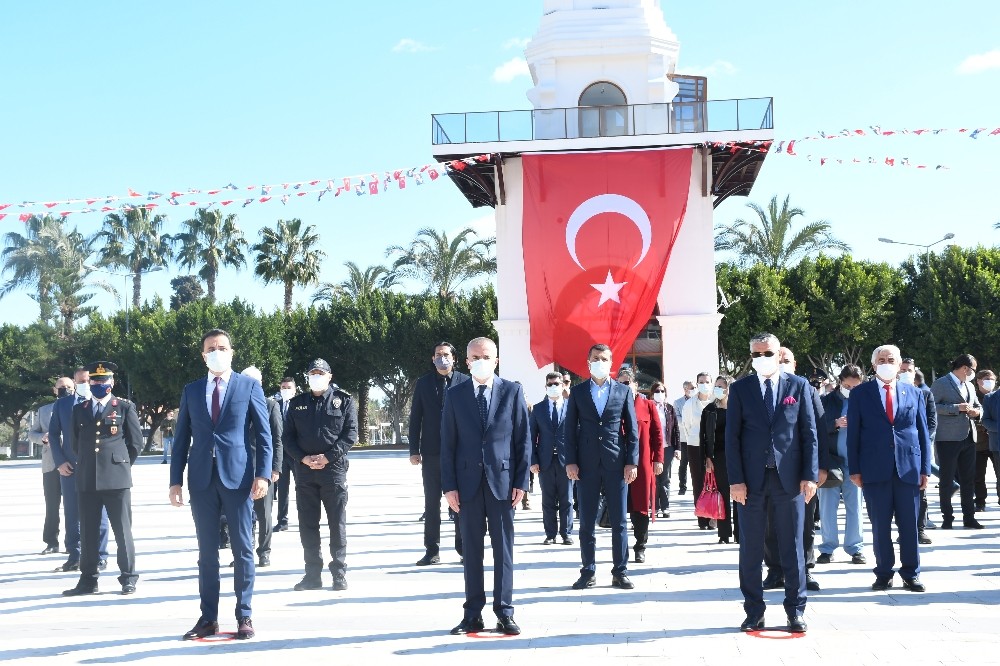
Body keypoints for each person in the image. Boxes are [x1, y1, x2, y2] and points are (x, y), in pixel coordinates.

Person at [170, 328, 273, 641]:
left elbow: (264, 435)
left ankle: (244, 615)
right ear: (203, 355)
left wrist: (263, 474)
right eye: (211, 348)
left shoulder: (248, 386)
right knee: (207, 553)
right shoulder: (191, 390)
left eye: (222, 347)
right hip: (201, 480)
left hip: (239, 479)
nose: (217, 351)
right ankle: (208, 618)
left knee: (243, 549)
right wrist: (175, 480)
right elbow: (181, 439)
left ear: (231, 352)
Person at [726, 333, 818, 634]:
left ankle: (795, 610)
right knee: (750, 548)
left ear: (779, 355)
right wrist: (736, 480)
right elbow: (732, 438)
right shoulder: (741, 389)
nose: (761, 359)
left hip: (789, 480)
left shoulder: (799, 386)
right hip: (750, 483)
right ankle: (753, 610)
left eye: (767, 353)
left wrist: (810, 475)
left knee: (793, 546)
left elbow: (809, 434)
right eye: (756, 354)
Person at [441, 337, 530, 636]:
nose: (481, 360)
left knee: (503, 550)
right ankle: (472, 613)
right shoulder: (455, 395)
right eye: (475, 356)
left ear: (497, 360)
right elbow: (447, 444)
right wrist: (449, 486)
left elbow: (523, 440)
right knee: (472, 551)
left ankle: (505, 612)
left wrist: (521, 481)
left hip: (503, 485)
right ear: (466, 361)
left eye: (486, 356)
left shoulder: (513, 391)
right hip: (466, 487)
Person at [847, 345, 931, 592]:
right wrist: (855, 468)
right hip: (874, 469)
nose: (886, 363)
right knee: (880, 526)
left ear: (898, 363)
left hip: (908, 468)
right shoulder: (860, 394)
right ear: (873, 365)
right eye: (881, 359)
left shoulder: (914, 393)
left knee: (909, 525)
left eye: (890, 359)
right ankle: (884, 573)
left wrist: (925, 468)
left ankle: (911, 573)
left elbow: (923, 433)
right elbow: (854, 435)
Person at [62, 361, 141, 597]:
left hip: (117, 480)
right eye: (94, 381)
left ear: (112, 382)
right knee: (88, 531)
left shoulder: (124, 407)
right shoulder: (80, 409)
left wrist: (120, 465)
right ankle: (88, 580)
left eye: (103, 380)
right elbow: (76, 443)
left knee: (122, 531)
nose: (98, 384)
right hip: (87, 478)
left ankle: (128, 578)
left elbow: (135, 443)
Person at [565, 343, 639, 591]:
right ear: (588, 362)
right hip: (585, 465)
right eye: (596, 358)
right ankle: (588, 571)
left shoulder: (623, 391)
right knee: (586, 521)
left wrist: (632, 462)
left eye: (605, 358)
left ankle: (620, 571)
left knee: (619, 521)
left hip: (616, 463)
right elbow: (569, 430)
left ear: (612, 362)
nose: (600, 362)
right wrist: (571, 461)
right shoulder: (577, 393)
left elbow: (632, 431)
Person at [283, 358, 357, 592]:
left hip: (333, 471)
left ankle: (339, 573)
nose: (316, 376)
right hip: (305, 473)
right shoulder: (297, 404)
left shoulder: (343, 401)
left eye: (320, 373)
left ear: (329, 376)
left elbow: (350, 435)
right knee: (308, 525)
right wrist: (303, 458)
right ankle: (312, 574)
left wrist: (327, 457)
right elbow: (287, 438)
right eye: (312, 373)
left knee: (337, 524)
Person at [762, 347, 827, 593]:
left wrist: (819, 468)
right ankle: (775, 569)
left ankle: (805, 568)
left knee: (805, 522)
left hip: (802, 472)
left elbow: (817, 430)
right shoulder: (764, 391)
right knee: (771, 522)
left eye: (786, 360)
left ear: (794, 363)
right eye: (777, 360)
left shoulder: (806, 390)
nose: (781, 364)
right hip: (771, 470)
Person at [408, 342, 468, 565]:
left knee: (461, 502)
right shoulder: (423, 384)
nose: (442, 358)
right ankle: (431, 550)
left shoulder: (465, 381)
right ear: (432, 358)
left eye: (446, 354)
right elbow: (416, 418)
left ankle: (463, 549)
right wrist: (414, 450)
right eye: (437, 355)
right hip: (432, 453)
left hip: (461, 453)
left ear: (454, 358)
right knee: (431, 504)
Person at [49, 367, 111, 573]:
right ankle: (74, 554)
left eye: (89, 380)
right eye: (81, 381)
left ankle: (100, 556)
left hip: (98, 467)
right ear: (75, 382)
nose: (86, 384)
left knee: (100, 512)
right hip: (70, 467)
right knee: (72, 512)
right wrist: (59, 461)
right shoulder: (62, 404)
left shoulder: (104, 402)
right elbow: (54, 434)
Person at [816, 365, 867, 564]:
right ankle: (828, 547)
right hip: (831, 462)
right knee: (828, 506)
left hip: (855, 463)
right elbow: (816, 429)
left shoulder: (865, 401)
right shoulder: (826, 401)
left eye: (856, 386)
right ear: (840, 382)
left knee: (855, 505)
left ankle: (855, 548)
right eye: (848, 385)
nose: (852, 390)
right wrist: (834, 424)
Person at [930, 353, 984, 529]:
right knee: (946, 480)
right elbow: (931, 407)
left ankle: (969, 517)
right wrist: (956, 408)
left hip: (968, 437)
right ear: (965, 368)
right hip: (947, 439)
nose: (973, 374)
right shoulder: (941, 383)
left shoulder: (969, 385)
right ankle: (948, 518)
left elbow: (978, 406)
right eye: (973, 369)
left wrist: (977, 412)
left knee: (968, 479)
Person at [617, 369, 663, 563]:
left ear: (635, 385)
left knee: (640, 505)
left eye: (627, 383)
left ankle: (640, 545)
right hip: (618, 462)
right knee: (620, 505)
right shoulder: (613, 405)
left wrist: (659, 459)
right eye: (621, 384)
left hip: (642, 463)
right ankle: (620, 548)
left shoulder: (648, 405)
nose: (624, 387)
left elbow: (657, 434)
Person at [240, 366, 283, 567]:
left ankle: (264, 551)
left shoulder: (270, 405)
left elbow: (277, 440)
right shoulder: (234, 404)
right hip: (239, 468)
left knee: (264, 513)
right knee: (241, 512)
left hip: (263, 468)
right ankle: (243, 552)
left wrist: (275, 468)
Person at [28, 377, 73, 555]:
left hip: (73, 463)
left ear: (75, 388)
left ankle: (73, 543)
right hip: (51, 464)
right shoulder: (44, 411)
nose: (65, 389)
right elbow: (32, 433)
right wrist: (42, 438)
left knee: (74, 506)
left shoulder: (79, 407)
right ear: (54, 390)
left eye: (69, 386)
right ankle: (51, 542)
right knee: (52, 506)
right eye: (61, 387)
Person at [529, 371, 574, 546]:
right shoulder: (538, 408)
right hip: (545, 461)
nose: (554, 387)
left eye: (557, 384)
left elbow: (577, 434)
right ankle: (550, 534)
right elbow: (531, 436)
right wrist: (532, 460)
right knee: (547, 500)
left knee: (567, 499)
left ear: (563, 385)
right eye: (550, 384)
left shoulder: (571, 407)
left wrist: (576, 460)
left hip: (566, 461)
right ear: (546, 387)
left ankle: (566, 533)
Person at [900, 358, 938, 540]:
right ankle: (904, 531)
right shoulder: (890, 395)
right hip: (897, 450)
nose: (906, 373)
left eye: (909, 370)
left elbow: (931, 422)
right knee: (899, 494)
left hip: (917, 449)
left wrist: (922, 441)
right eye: (903, 370)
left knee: (920, 492)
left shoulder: (925, 394)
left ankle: (920, 530)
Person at [702, 375, 734, 544]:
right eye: (717, 386)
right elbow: (704, 436)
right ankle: (724, 533)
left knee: (739, 493)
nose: (718, 389)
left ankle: (740, 533)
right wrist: (707, 457)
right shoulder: (709, 410)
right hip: (718, 457)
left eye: (721, 386)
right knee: (722, 494)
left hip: (737, 455)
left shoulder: (738, 408)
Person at [682, 374, 715, 529]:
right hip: (695, 445)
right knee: (698, 481)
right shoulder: (690, 404)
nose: (704, 384)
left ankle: (715, 516)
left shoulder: (716, 401)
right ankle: (702, 518)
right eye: (701, 382)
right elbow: (687, 425)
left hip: (715, 446)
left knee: (716, 481)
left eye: (707, 382)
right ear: (697, 383)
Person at [650, 381, 680, 518]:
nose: (660, 394)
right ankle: (654, 507)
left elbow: (676, 430)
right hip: (652, 448)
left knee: (665, 478)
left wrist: (677, 448)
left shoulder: (669, 408)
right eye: (657, 391)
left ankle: (665, 507)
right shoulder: (649, 407)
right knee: (654, 479)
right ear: (652, 393)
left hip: (667, 448)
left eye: (662, 391)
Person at [972, 369, 999, 512]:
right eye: (986, 379)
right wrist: (983, 425)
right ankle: (980, 501)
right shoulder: (973, 397)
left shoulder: (996, 396)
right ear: (978, 381)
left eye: (992, 379)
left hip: (996, 442)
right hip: (979, 442)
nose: (989, 382)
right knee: (978, 475)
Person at [273, 377, 297, 532]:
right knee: (282, 489)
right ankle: (282, 520)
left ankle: (306, 517)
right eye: (283, 387)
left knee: (303, 488)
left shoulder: (301, 404)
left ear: (295, 389)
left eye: (289, 387)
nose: (286, 390)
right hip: (281, 454)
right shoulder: (275, 405)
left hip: (297, 454)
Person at [674, 382, 694, 494]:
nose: (694, 389)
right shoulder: (678, 402)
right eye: (691, 388)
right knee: (683, 464)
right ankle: (682, 487)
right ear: (685, 389)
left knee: (695, 464)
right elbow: (677, 419)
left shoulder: (698, 400)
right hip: (684, 439)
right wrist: (690, 424)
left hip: (696, 438)